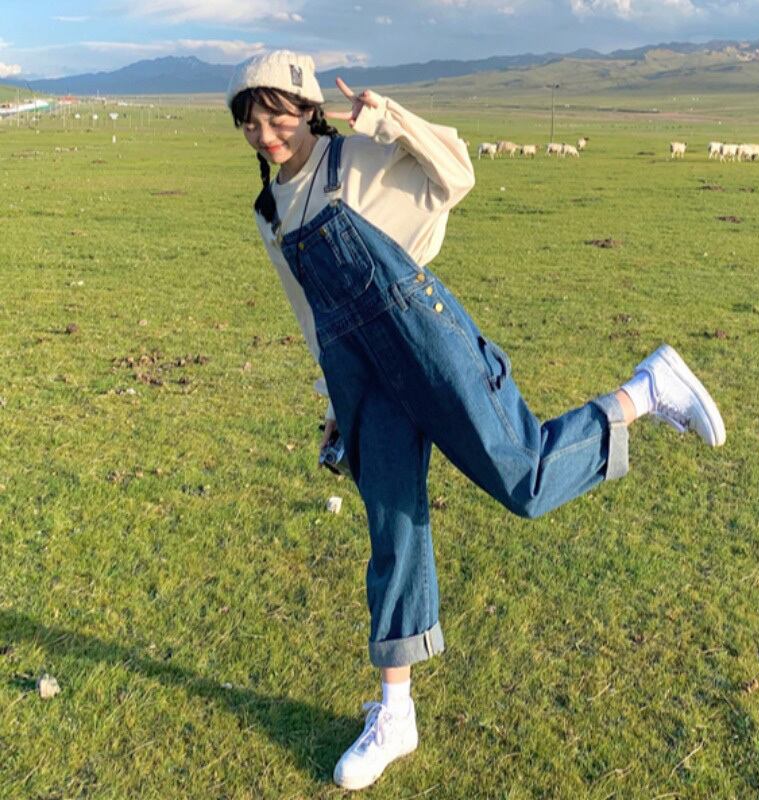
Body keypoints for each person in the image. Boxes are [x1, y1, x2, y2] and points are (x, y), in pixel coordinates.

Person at [226, 50, 726, 791]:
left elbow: (457, 174)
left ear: (308, 112)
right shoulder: (270, 212)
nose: (266, 134)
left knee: (524, 478)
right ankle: (396, 715)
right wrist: (334, 400)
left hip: (423, 338)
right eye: (251, 123)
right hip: (361, 375)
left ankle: (646, 390)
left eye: (278, 117)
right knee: (394, 534)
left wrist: (387, 118)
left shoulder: (353, 159)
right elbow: (309, 313)